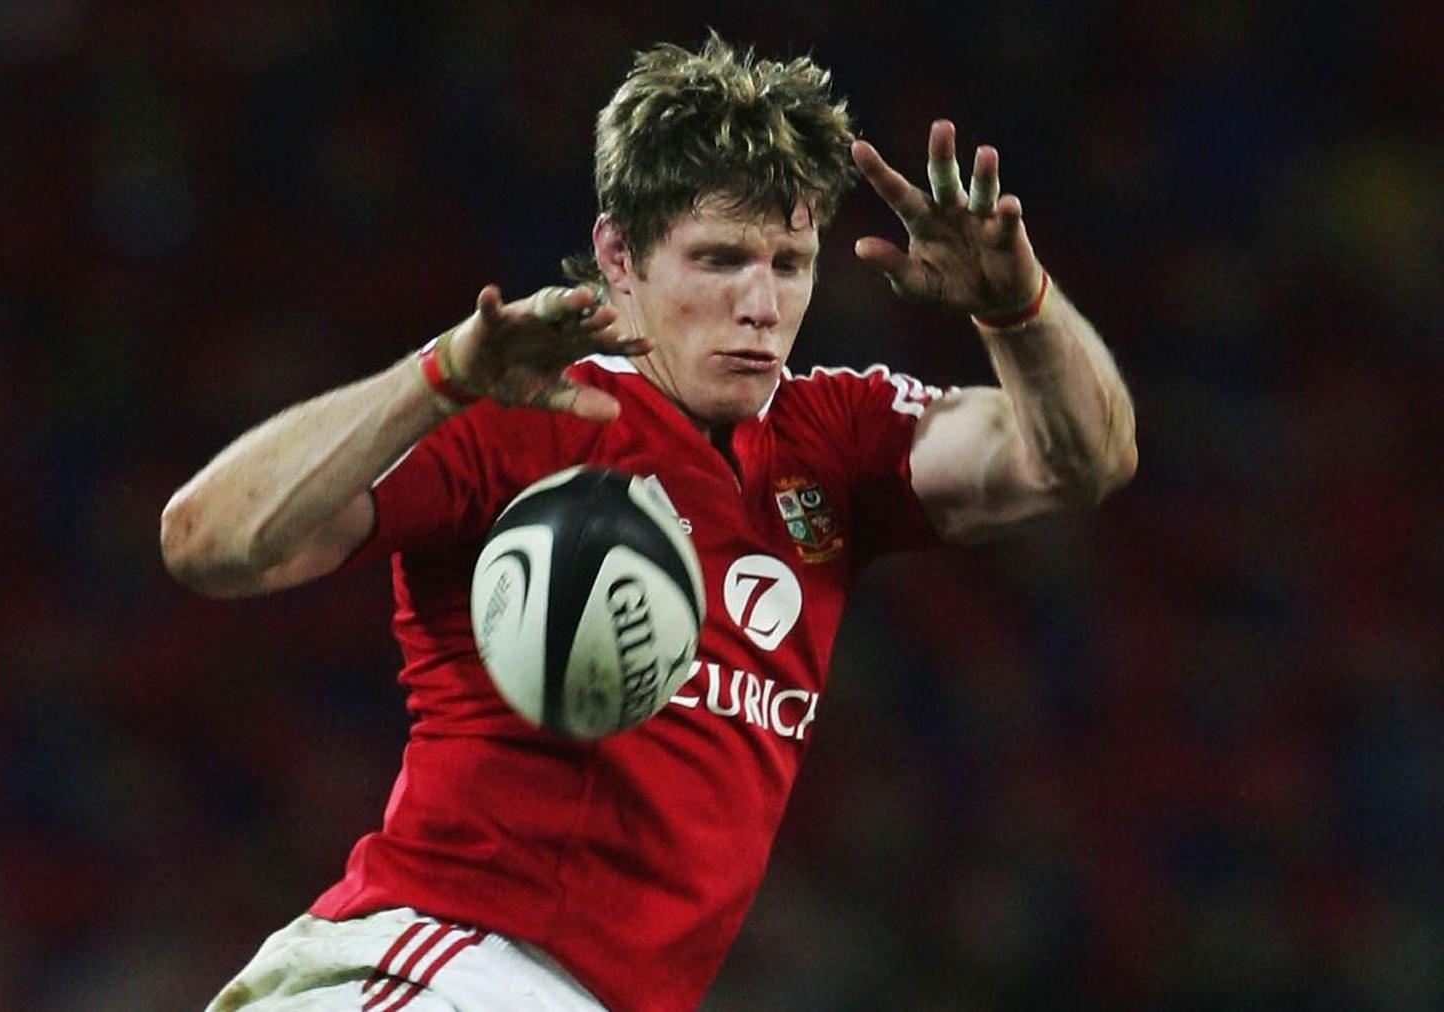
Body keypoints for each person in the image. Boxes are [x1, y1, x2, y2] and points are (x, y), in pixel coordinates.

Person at [162, 34, 1136, 1012]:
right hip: (440, 971)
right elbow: (209, 540)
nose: (761, 304)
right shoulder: (530, 409)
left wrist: (1018, 308)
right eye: (718, 259)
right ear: (618, 257)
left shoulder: (835, 442)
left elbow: (1080, 457)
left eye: (789, 263)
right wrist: (442, 376)